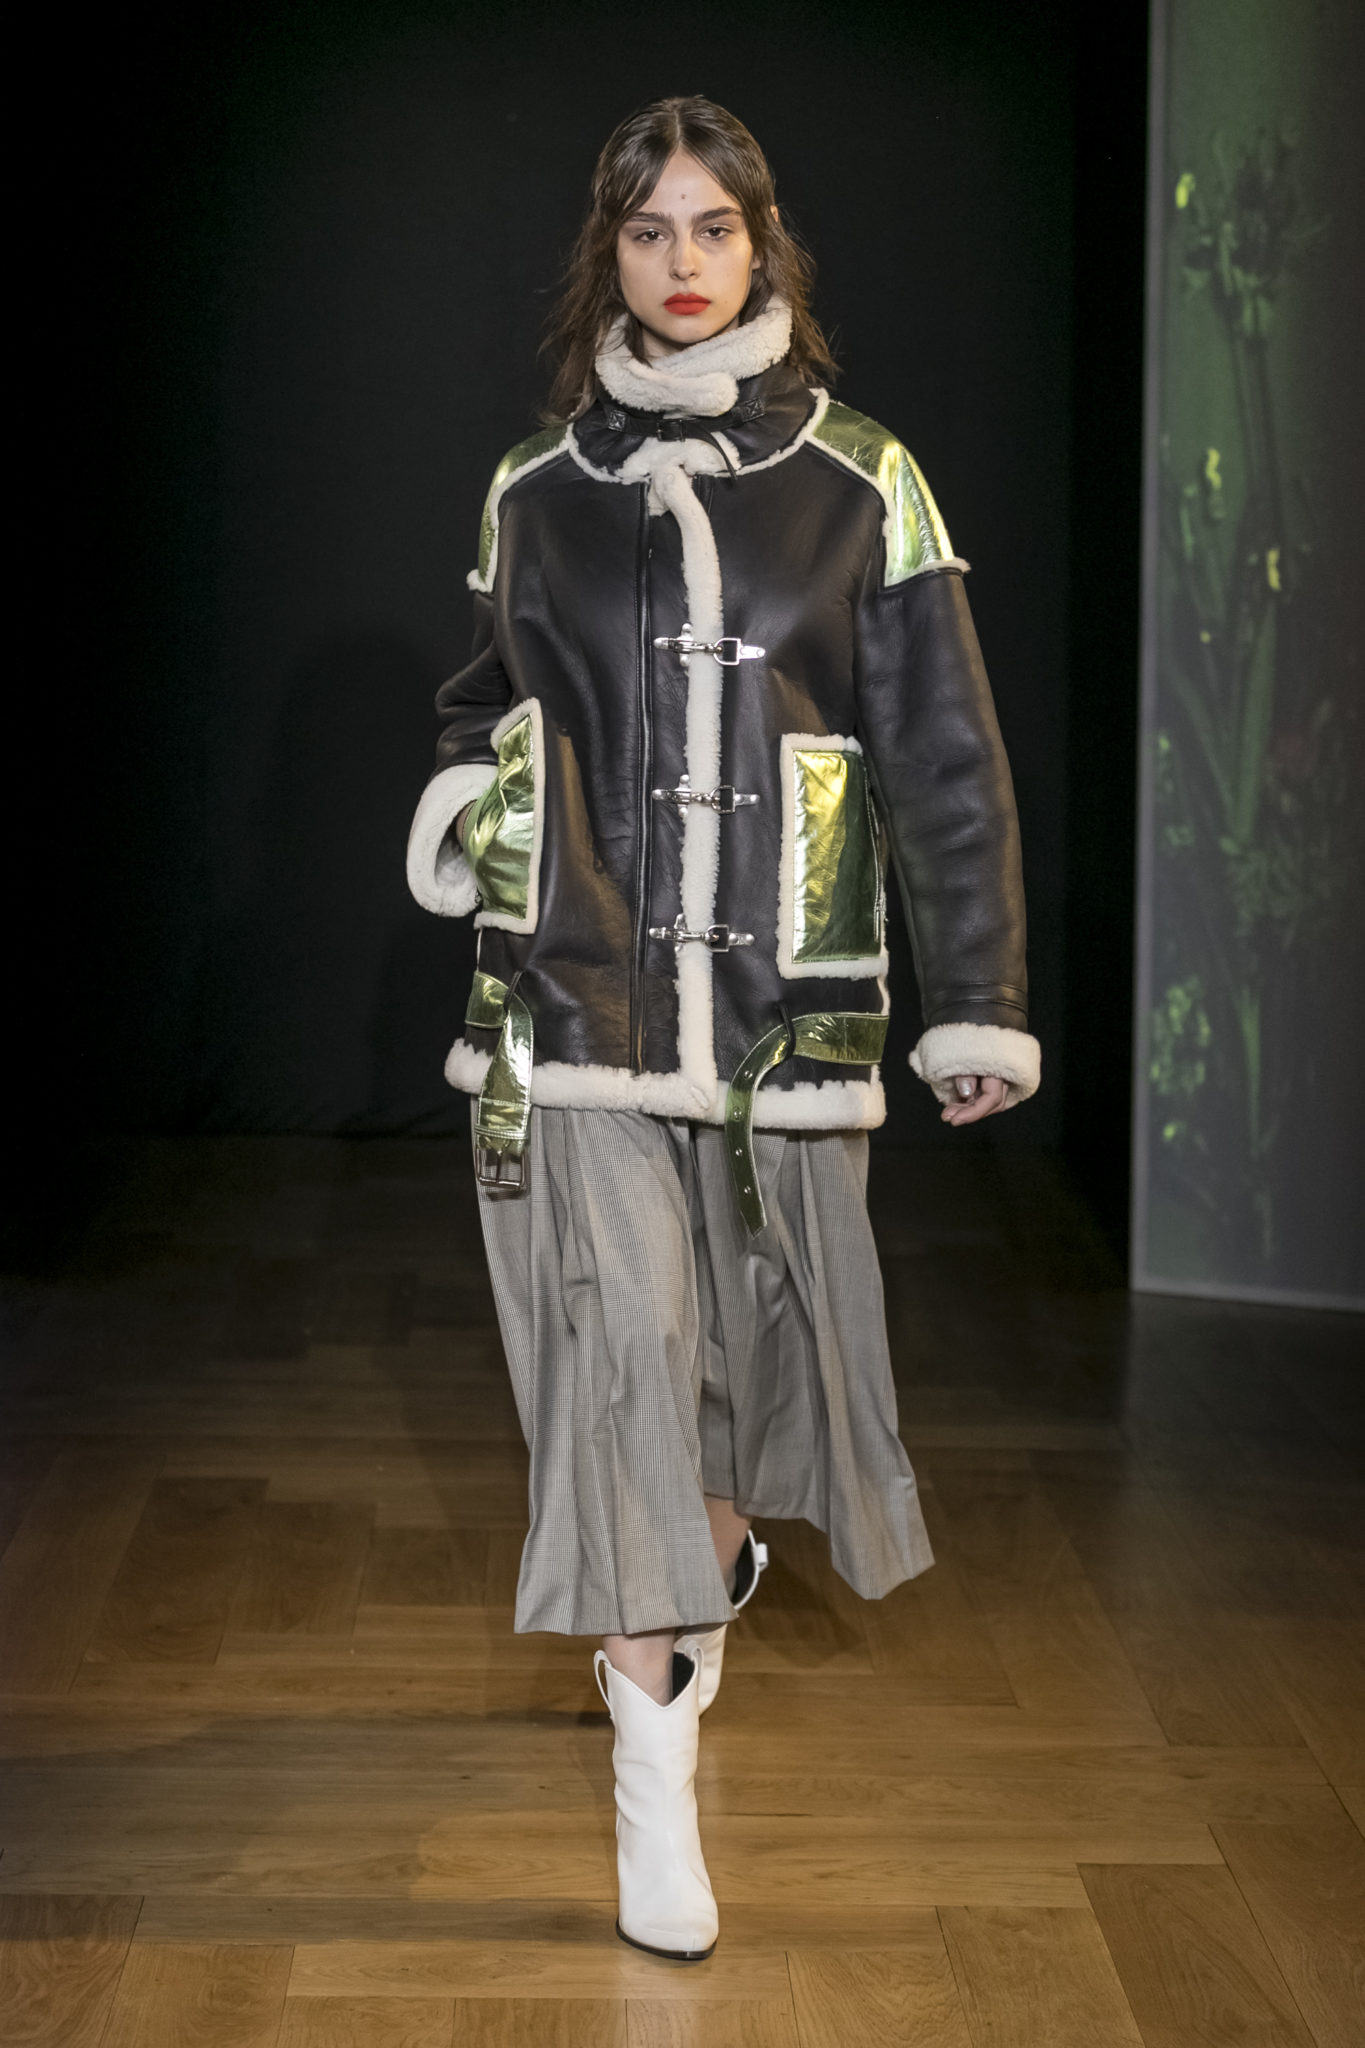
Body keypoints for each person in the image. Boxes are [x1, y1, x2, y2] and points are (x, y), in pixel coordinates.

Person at [406, 94, 1038, 1961]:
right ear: (603, 254)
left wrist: (979, 1002)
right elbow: (474, 705)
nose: (680, 263)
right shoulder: (535, 487)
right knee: (618, 1359)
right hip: (570, 1003)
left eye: (711, 228)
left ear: (763, 246)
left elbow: (943, 755)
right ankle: (651, 1790)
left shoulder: (863, 479)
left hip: (783, 1022)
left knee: (732, 1396)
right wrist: (476, 813)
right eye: (646, 230)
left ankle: (708, 1567)